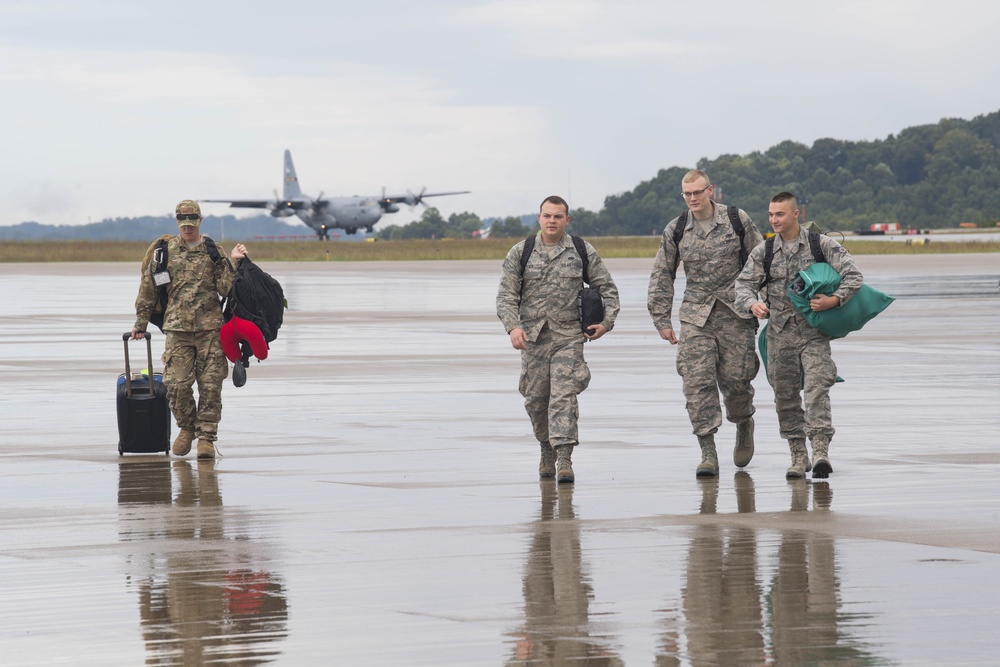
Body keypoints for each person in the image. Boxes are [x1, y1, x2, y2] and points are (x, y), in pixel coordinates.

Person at [734, 191, 862, 478]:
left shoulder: (821, 245)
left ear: (795, 214)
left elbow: (854, 276)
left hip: (814, 334)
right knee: (786, 398)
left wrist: (835, 300)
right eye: (770, 214)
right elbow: (742, 286)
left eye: (779, 214)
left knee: (817, 391)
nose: (774, 219)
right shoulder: (763, 252)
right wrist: (752, 304)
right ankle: (797, 455)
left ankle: (820, 453)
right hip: (779, 337)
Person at [647, 170, 764, 478]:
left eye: (698, 192)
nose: (693, 199)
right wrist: (661, 318)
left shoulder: (737, 220)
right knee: (696, 381)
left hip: (736, 311)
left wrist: (764, 302)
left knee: (737, 378)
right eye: (687, 194)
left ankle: (743, 421)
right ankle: (707, 451)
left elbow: (760, 262)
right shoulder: (677, 229)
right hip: (696, 316)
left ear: (711, 190)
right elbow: (662, 274)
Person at [496, 195, 620, 483]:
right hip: (533, 339)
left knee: (563, 396)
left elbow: (608, 289)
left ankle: (564, 457)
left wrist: (605, 323)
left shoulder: (580, 250)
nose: (552, 220)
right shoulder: (521, 252)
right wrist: (513, 327)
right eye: (547, 215)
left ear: (567, 220)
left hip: (568, 337)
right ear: (539, 218)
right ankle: (546, 448)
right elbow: (506, 296)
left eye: (557, 216)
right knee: (536, 400)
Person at [131, 200, 247, 459]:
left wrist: (235, 263)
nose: (188, 228)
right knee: (176, 384)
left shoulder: (213, 250)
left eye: (192, 224)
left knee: (210, 385)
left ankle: (206, 437)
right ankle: (186, 428)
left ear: (200, 221)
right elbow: (148, 288)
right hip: (177, 329)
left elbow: (225, 289)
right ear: (177, 222)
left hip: (210, 329)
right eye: (183, 224)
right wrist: (140, 322)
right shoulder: (164, 251)